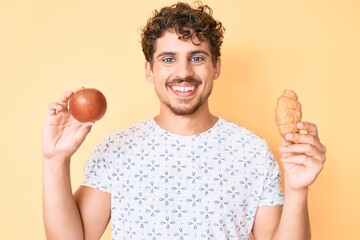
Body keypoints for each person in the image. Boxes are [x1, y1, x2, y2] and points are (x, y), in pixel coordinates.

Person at [42, 2, 326, 240]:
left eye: (197, 57)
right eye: (168, 59)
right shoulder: (117, 149)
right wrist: (55, 159)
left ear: (216, 67)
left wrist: (298, 190)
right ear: (149, 70)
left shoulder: (252, 152)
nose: (183, 72)